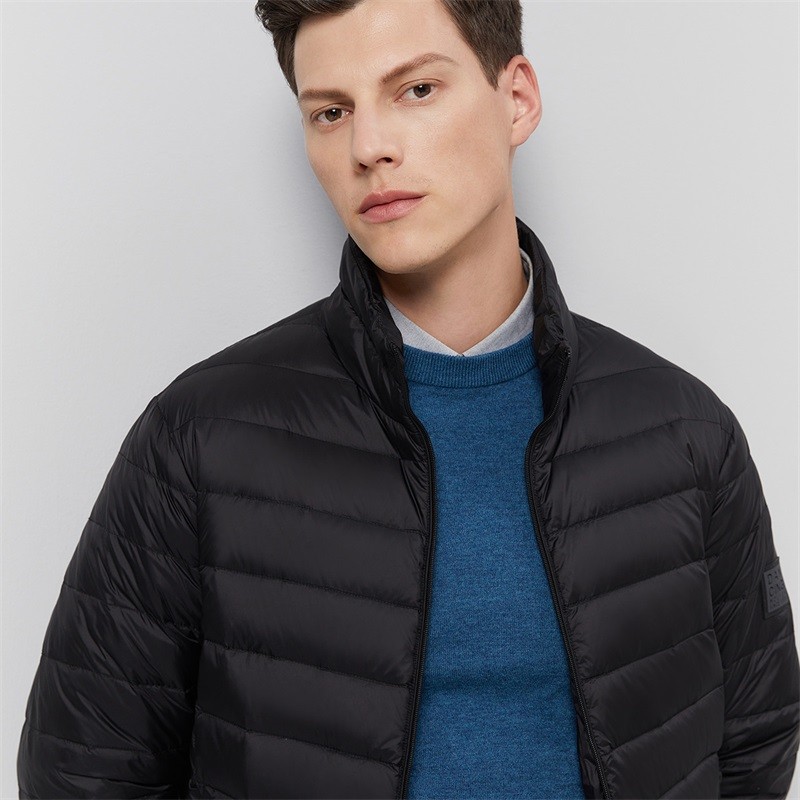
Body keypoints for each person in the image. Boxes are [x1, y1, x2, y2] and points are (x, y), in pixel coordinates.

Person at [17, 0, 799, 798]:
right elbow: (82, 771)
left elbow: (755, 741)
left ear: (516, 99)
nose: (369, 147)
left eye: (416, 90)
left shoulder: (685, 434)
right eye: (331, 112)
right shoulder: (199, 439)